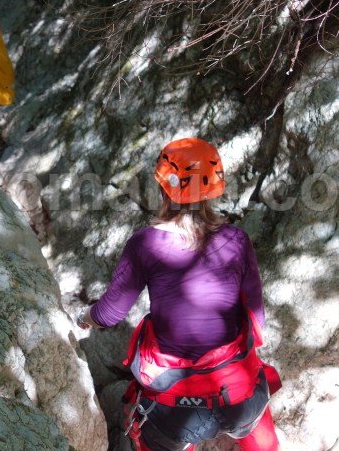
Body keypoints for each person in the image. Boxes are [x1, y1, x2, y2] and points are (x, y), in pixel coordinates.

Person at [77, 138, 281, 451]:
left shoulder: (144, 245)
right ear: (213, 188)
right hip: (240, 398)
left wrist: (84, 317)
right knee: (258, 416)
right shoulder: (237, 240)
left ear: (163, 188)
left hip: (174, 408)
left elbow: (110, 313)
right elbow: (257, 320)